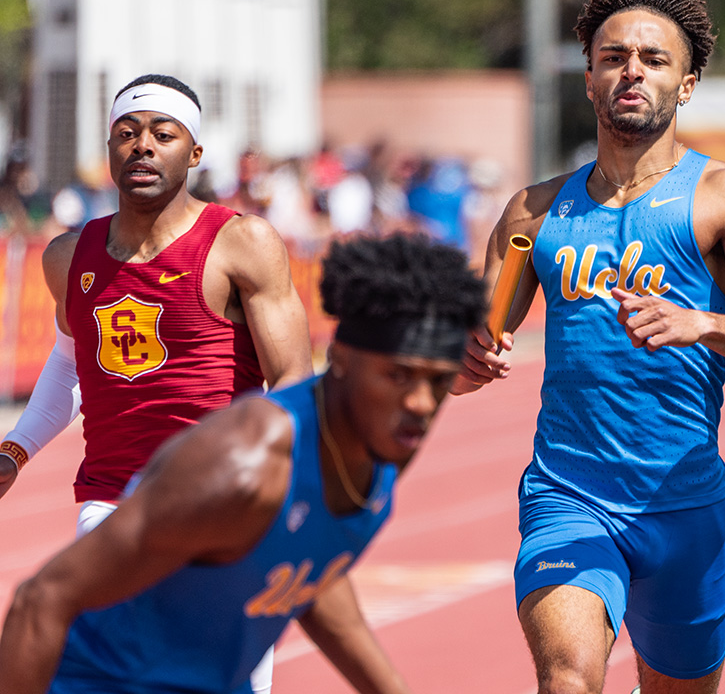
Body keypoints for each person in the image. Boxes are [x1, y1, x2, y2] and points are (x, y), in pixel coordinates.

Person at [454, 0, 725, 694]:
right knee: (569, 679)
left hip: (683, 504)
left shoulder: (724, 199)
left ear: (686, 85)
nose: (632, 71)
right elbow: (469, 350)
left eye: (654, 60)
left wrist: (704, 323)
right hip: (568, 494)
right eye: (614, 57)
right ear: (587, 78)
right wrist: (462, 354)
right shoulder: (533, 214)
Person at [0, 231, 487, 694]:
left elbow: (310, 570)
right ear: (339, 357)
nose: (421, 403)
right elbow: (40, 600)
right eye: (399, 376)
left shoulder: (375, 453)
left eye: (438, 382)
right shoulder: (242, 465)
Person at [0, 74, 313, 691]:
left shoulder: (241, 243)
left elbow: (294, 382)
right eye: (126, 133)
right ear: (110, 149)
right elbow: (69, 364)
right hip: (111, 502)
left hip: (220, 508)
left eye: (162, 135)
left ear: (194, 153)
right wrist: (15, 451)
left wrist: (269, 486)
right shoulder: (69, 256)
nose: (142, 146)